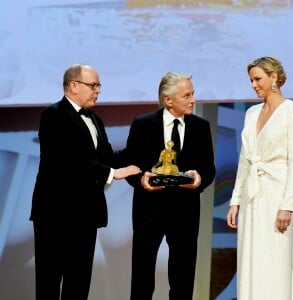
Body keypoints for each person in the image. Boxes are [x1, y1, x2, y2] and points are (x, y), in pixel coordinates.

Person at [29, 64, 141, 300]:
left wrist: (139, 147)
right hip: (55, 215)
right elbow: (69, 161)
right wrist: (112, 174)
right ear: (73, 86)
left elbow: (107, 158)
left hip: (86, 215)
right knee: (49, 284)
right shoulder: (53, 115)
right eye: (93, 85)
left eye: (98, 85)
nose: (98, 91)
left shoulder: (95, 119)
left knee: (78, 285)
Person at [124, 71, 216, 300]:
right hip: (149, 210)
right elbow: (131, 165)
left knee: (183, 279)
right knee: (142, 279)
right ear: (168, 99)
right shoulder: (143, 124)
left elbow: (209, 168)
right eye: (186, 96)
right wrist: (141, 180)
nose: (193, 100)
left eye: (192, 94)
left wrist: (199, 179)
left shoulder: (201, 127)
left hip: (186, 212)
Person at [227, 56, 293, 300]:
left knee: (274, 259)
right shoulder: (251, 112)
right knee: (250, 258)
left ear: (274, 77)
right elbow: (246, 160)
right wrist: (235, 199)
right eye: (251, 80)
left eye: (258, 79)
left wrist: (287, 207)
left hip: (276, 194)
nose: (253, 85)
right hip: (251, 196)